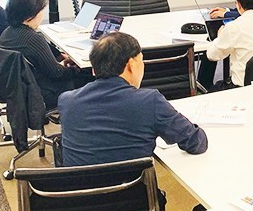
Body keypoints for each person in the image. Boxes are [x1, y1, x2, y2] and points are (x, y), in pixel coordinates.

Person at [58, 32, 207, 166]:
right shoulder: (149, 101)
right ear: (130, 65)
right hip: (132, 187)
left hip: (77, 188)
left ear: (94, 69)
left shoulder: (67, 101)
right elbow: (195, 142)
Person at [0, 0, 86, 109]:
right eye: (40, 11)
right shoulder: (32, 38)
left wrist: (61, 61)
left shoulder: (7, 32)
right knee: (88, 78)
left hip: (19, 88)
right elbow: (57, 73)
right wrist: (75, 69)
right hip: (41, 93)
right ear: (30, 16)